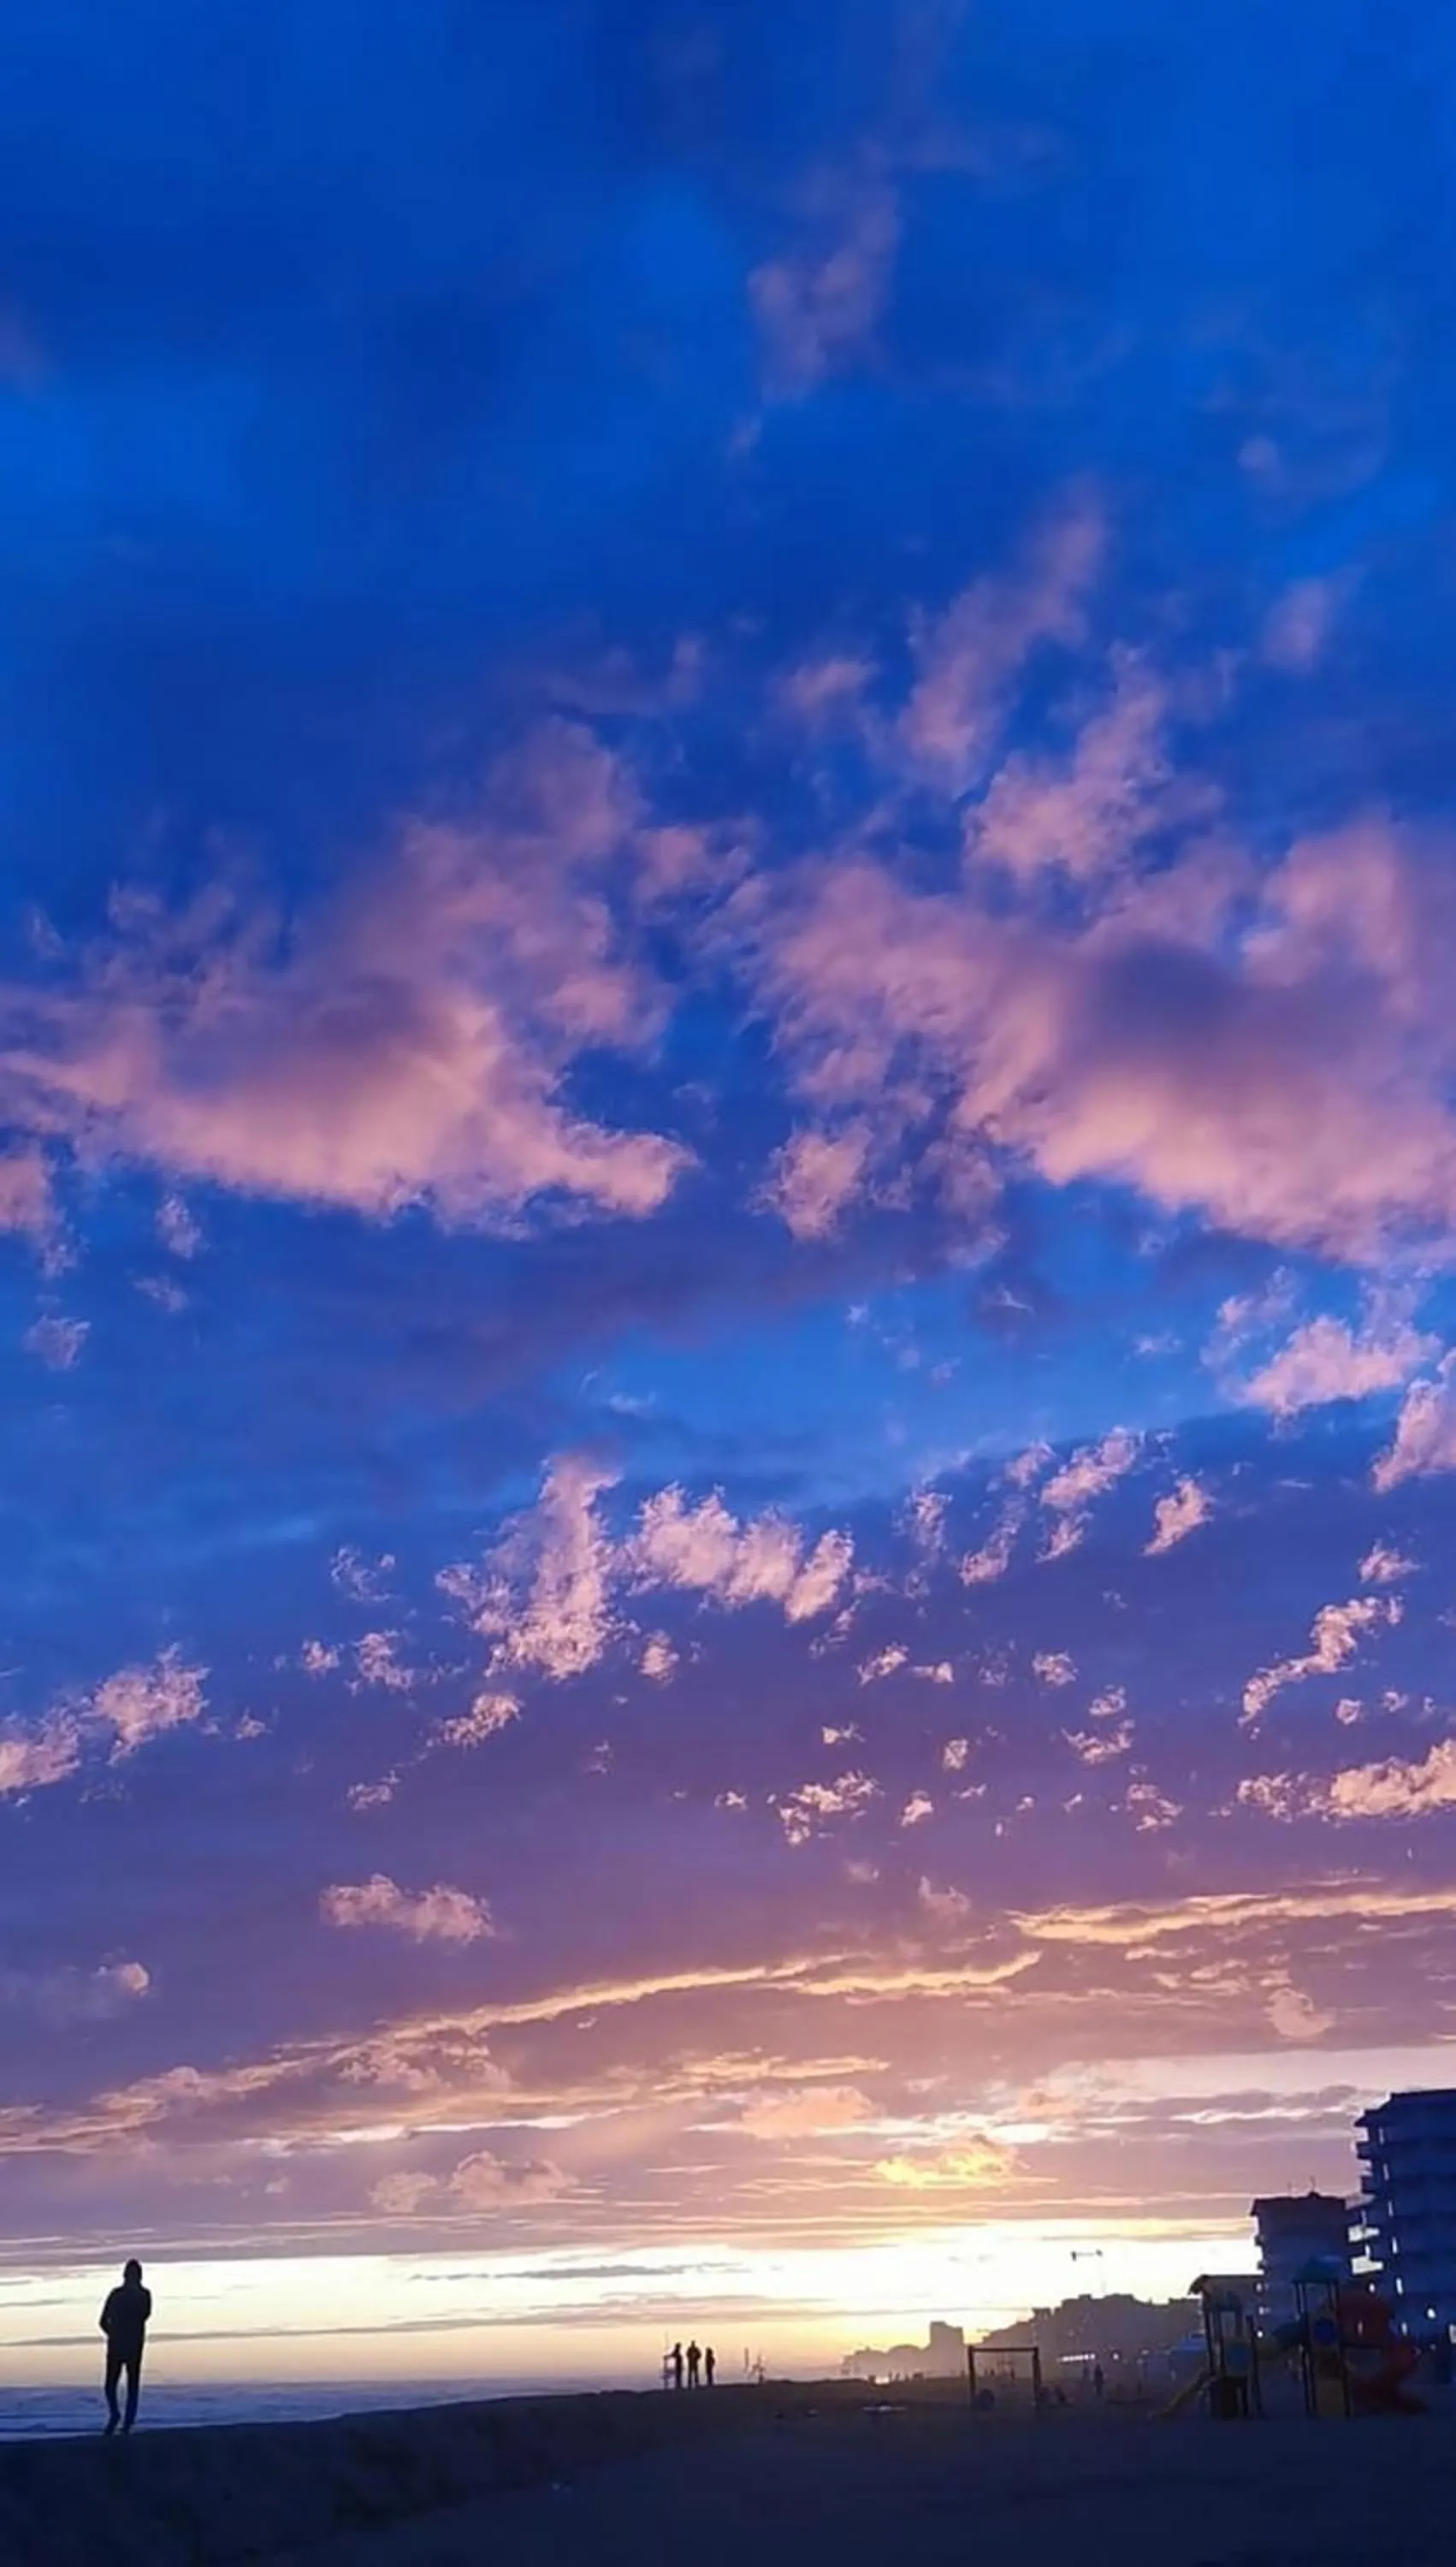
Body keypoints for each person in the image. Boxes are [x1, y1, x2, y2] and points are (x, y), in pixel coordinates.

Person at [100, 2259, 152, 2436]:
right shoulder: (142, 2295)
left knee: (114, 2385)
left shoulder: (122, 2295)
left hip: (121, 2345)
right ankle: (123, 2420)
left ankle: (121, 2418)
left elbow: (102, 2321)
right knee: (128, 2386)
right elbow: (143, 2316)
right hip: (130, 2346)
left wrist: (114, 2334)